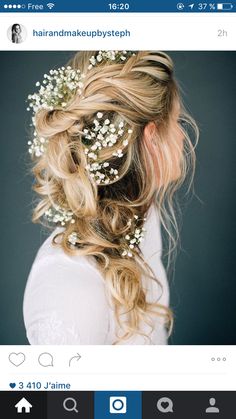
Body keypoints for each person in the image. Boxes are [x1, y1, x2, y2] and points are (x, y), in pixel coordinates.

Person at [23, 50, 198, 345]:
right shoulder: (68, 285)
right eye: (177, 121)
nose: (183, 136)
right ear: (152, 138)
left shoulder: (142, 223)